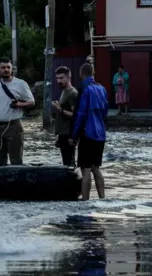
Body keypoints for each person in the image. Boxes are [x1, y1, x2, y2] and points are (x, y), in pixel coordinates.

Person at [0, 58, 35, 166]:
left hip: (14, 126)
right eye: (3, 67)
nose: (6, 70)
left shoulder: (21, 83)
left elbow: (32, 102)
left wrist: (19, 104)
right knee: (0, 161)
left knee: (16, 161)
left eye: (8, 67)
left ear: (11, 69)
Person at [70, 63, 108, 201]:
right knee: (96, 167)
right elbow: (105, 111)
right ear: (93, 72)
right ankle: (102, 198)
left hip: (87, 133)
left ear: (81, 74)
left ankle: (85, 201)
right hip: (100, 133)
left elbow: (80, 114)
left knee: (85, 169)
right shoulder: (102, 88)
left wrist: (74, 136)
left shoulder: (84, 89)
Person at [52, 66, 78, 167]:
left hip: (69, 135)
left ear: (68, 77)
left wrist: (59, 109)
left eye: (61, 78)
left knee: (69, 165)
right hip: (63, 134)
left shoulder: (72, 93)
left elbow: (75, 115)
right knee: (66, 164)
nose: (58, 81)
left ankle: (74, 182)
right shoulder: (64, 91)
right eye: (57, 78)